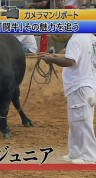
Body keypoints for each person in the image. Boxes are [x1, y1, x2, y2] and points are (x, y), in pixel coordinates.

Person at [39, 33, 96, 164]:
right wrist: (56, 55)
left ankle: (89, 155)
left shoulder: (76, 39)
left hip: (79, 85)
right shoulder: (90, 38)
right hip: (86, 83)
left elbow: (70, 61)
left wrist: (51, 59)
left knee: (82, 121)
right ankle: (75, 152)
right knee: (76, 121)